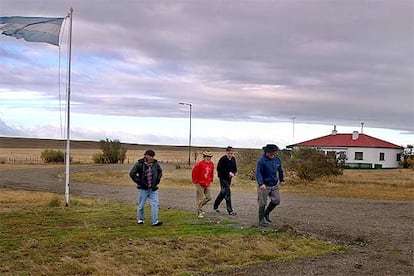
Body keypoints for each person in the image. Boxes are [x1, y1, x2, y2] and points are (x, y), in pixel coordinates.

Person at [129, 149, 163, 226]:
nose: (151, 157)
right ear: (146, 155)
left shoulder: (156, 164)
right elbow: (132, 173)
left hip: (153, 189)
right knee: (141, 205)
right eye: (150, 156)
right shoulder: (139, 164)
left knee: (155, 205)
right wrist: (139, 182)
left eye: (153, 156)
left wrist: (158, 179)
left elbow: (160, 171)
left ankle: (155, 221)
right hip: (142, 189)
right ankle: (140, 219)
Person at [256, 144, 285, 227]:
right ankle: (261, 221)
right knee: (262, 203)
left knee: (276, 200)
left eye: (275, 153)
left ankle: (266, 213)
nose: (274, 155)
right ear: (267, 153)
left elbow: (280, 170)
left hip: (274, 184)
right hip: (264, 185)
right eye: (272, 153)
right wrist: (261, 183)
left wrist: (282, 179)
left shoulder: (277, 159)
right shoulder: (261, 161)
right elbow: (258, 173)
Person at [213, 146, 237, 215]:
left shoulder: (233, 159)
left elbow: (234, 168)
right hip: (223, 178)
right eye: (229, 151)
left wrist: (234, 173)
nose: (230, 153)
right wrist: (228, 173)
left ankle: (215, 206)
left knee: (223, 193)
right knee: (227, 192)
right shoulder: (223, 159)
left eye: (231, 151)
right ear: (226, 152)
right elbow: (219, 169)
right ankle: (230, 211)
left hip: (229, 178)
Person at [192, 150, 214, 218]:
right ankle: (199, 212)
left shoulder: (211, 164)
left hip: (207, 183)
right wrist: (195, 181)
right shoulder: (199, 164)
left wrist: (211, 179)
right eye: (207, 157)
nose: (208, 158)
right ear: (204, 157)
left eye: (210, 157)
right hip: (199, 183)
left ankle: (200, 207)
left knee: (209, 197)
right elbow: (194, 172)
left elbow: (211, 172)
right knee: (200, 198)